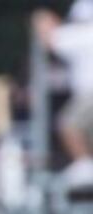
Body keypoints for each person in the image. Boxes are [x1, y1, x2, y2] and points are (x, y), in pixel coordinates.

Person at [35, 1, 93, 185]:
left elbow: (49, 38)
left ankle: (85, 166)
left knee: (68, 125)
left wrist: (43, 20)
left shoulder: (81, 34)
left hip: (89, 94)